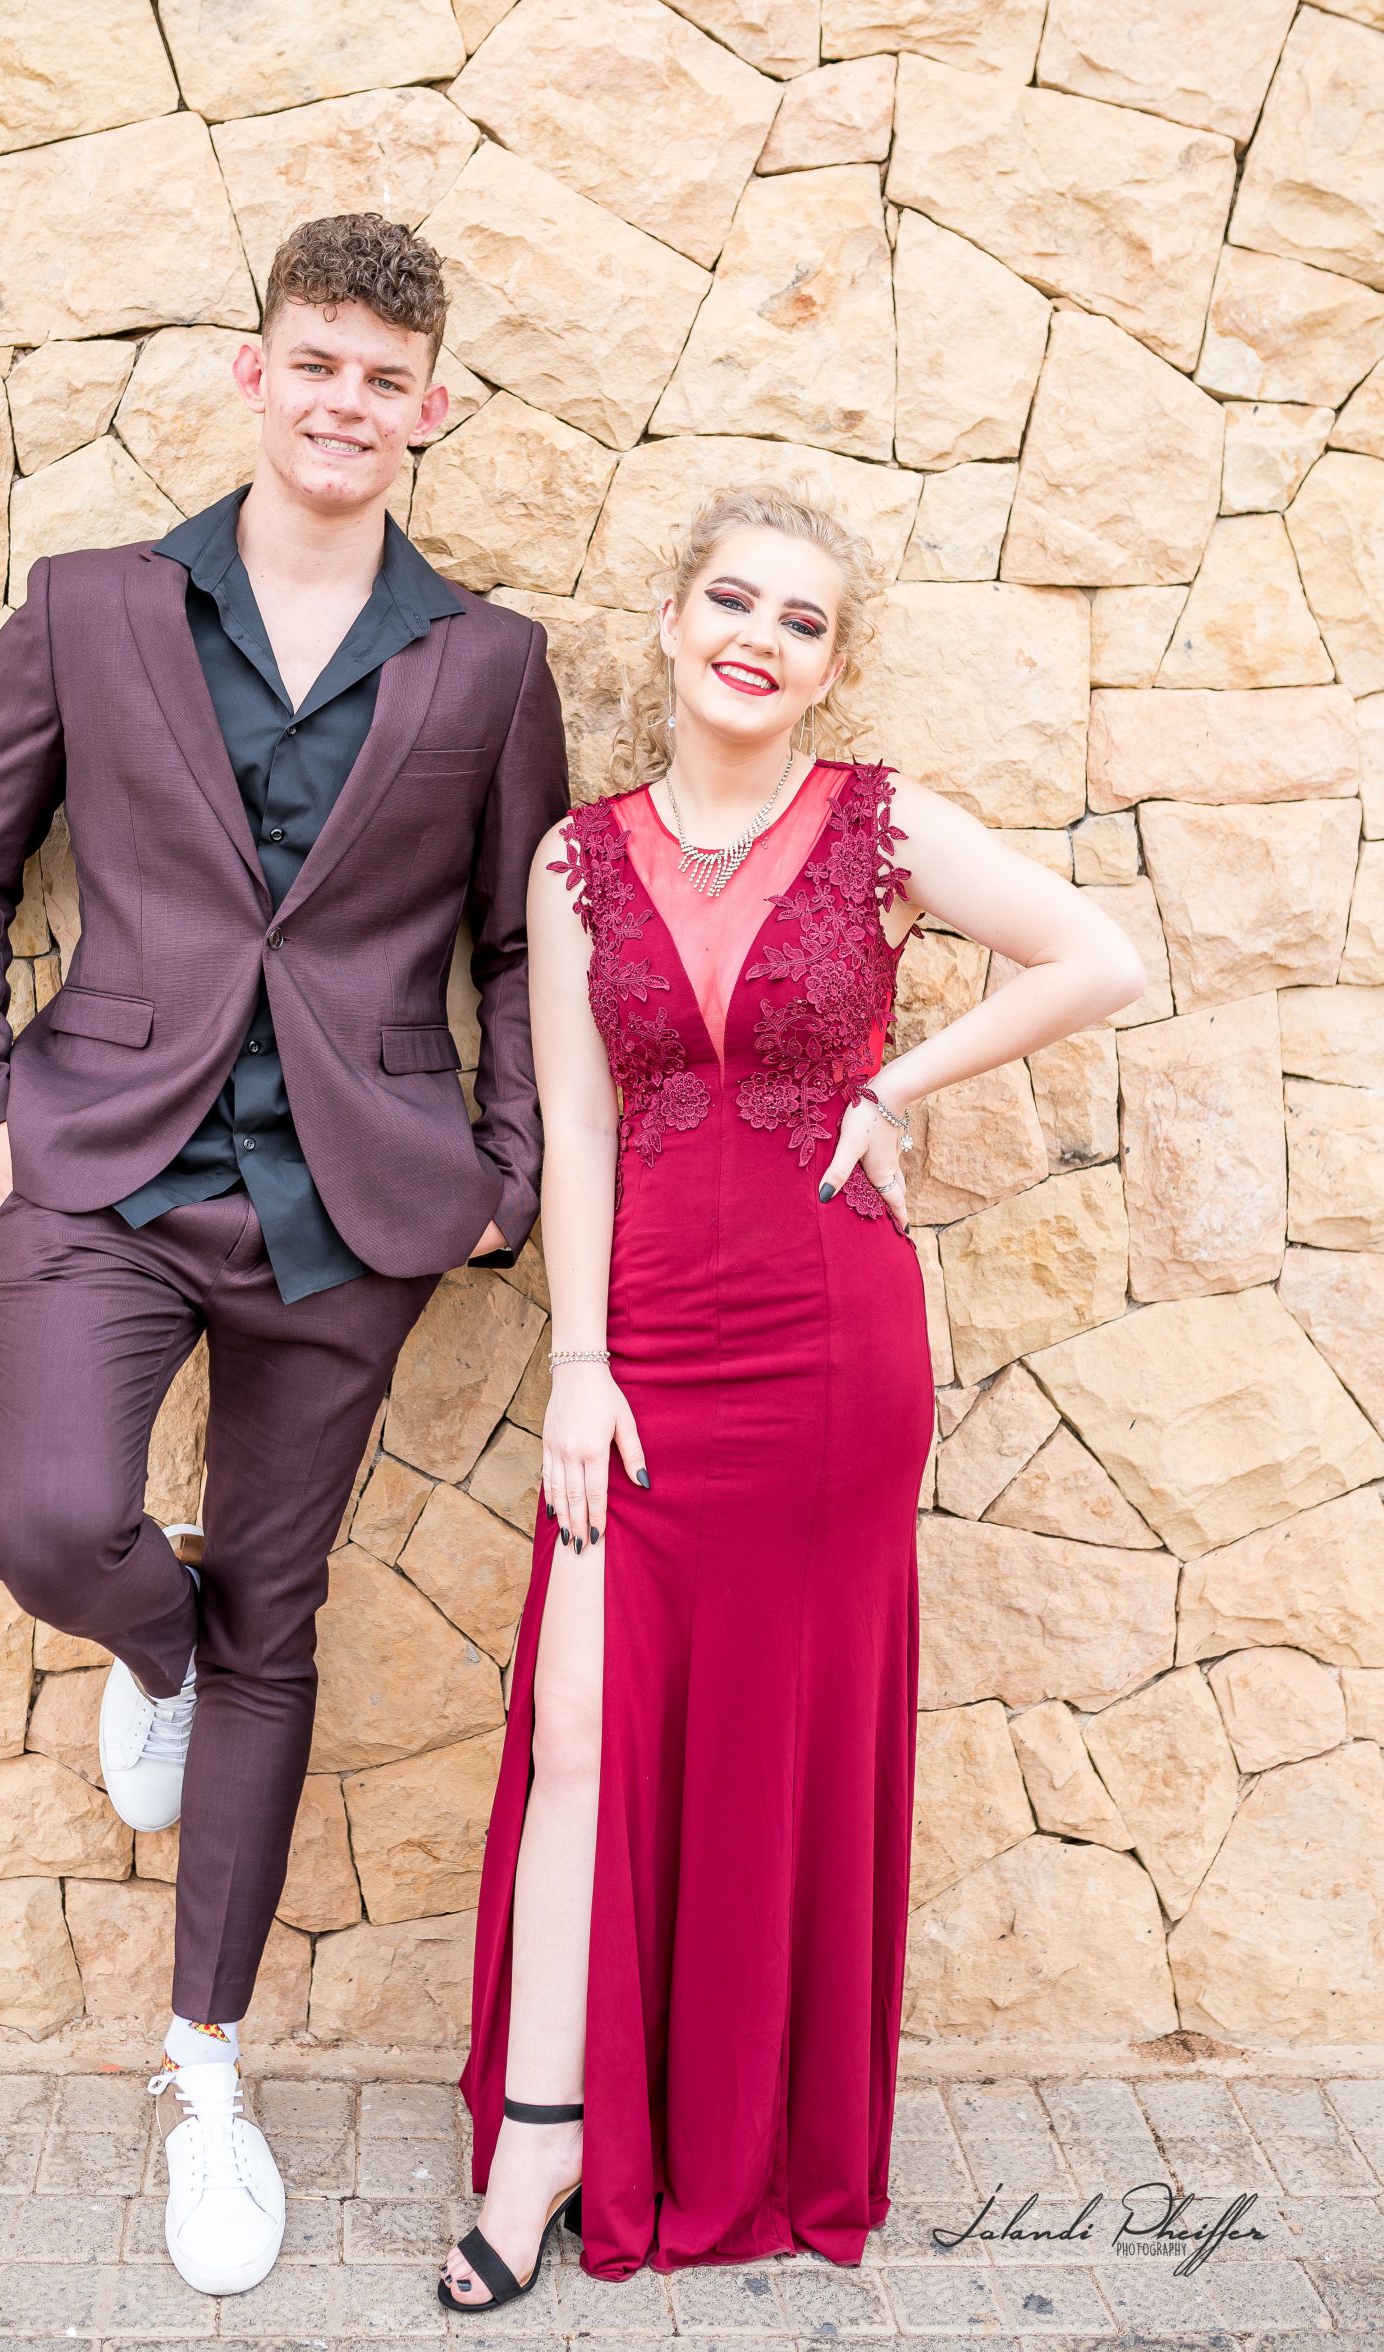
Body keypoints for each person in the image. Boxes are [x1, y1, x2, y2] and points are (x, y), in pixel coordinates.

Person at [0, 213, 568, 2299]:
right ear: (254, 373)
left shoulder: (488, 662)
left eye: (388, 376)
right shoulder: (92, 604)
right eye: (318, 361)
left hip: (351, 1210)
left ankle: (207, 2071)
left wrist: (505, 1173)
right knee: (51, 1523)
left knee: (286, 1620)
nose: (348, 401)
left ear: (431, 409)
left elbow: (523, 941)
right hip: (102, 1167)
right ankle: (156, 1637)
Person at [438, 482, 1145, 2311]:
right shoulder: (577, 859)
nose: (758, 637)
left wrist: (894, 1087)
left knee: (779, 1734)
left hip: (830, 1344)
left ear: (831, 668)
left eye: (801, 620)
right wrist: (575, 1367)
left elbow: (1098, 957)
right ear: (671, 624)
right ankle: (545, 2137)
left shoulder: (880, 825)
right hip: (646, 1342)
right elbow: (577, 1123)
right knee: (581, 1730)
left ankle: (735, 2122)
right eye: (733, 601)